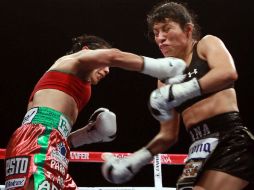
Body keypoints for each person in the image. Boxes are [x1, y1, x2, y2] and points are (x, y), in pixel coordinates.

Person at [101, 2, 254, 190]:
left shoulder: (206, 44)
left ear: (188, 29)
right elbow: (168, 135)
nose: (160, 38)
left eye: (166, 29)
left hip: (230, 140)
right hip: (198, 148)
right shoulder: (164, 78)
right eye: (156, 33)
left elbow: (227, 73)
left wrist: (180, 91)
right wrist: (135, 160)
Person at [4, 33, 187, 190]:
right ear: (86, 51)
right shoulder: (72, 61)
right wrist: (162, 68)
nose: (107, 70)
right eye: (103, 64)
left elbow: (59, 136)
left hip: (54, 146)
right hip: (38, 141)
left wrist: (89, 135)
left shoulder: (79, 85)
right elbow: (114, 56)